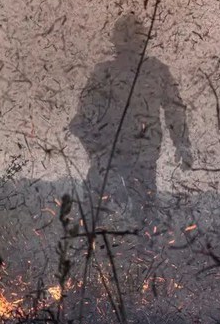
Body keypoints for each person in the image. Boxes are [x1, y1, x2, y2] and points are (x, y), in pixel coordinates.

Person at [70, 13, 191, 223]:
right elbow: (81, 121)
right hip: (110, 158)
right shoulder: (105, 73)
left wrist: (182, 144)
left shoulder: (156, 71)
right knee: (94, 217)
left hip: (139, 158)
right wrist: (98, 153)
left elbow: (175, 109)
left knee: (145, 218)